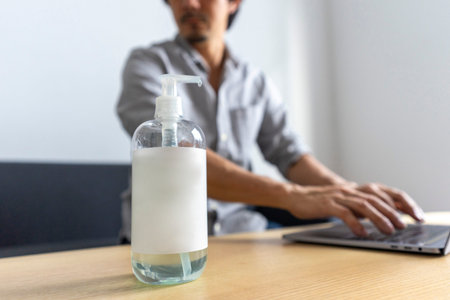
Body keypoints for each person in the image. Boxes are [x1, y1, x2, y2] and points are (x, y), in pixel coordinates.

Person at [116, 0, 424, 242]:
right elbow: (176, 157)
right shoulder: (147, 65)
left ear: (233, 1)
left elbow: (289, 154)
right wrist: (292, 196)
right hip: (163, 244)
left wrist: (352, 195)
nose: (190, 4)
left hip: (244, 235)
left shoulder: (255, 81)